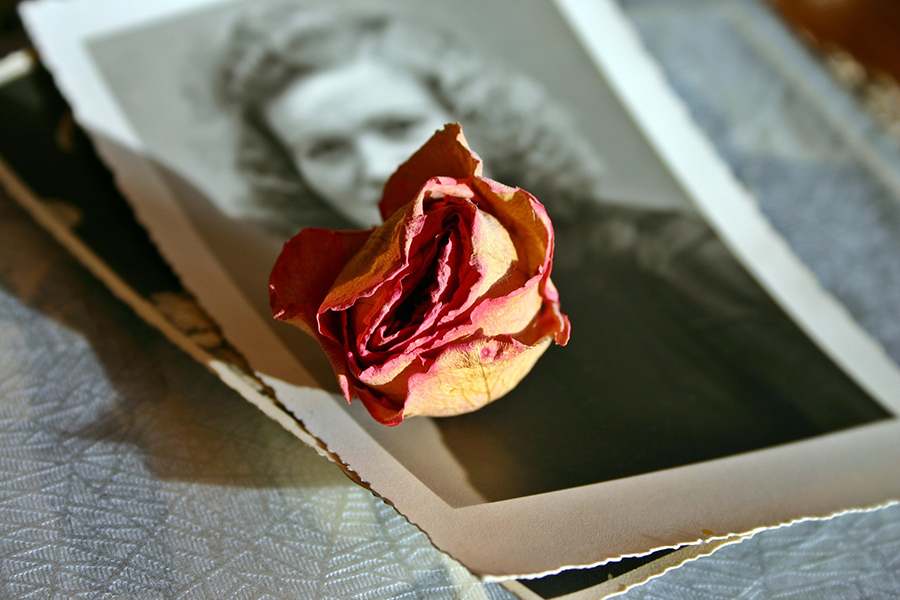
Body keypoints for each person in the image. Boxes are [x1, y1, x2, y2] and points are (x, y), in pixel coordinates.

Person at [216, 5, 889, 501]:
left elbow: (865, 457)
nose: (370, 165)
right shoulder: (341, 312)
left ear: (469, 119)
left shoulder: (666, 253)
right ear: (289, 170)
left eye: (395, 125)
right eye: (324, 149)